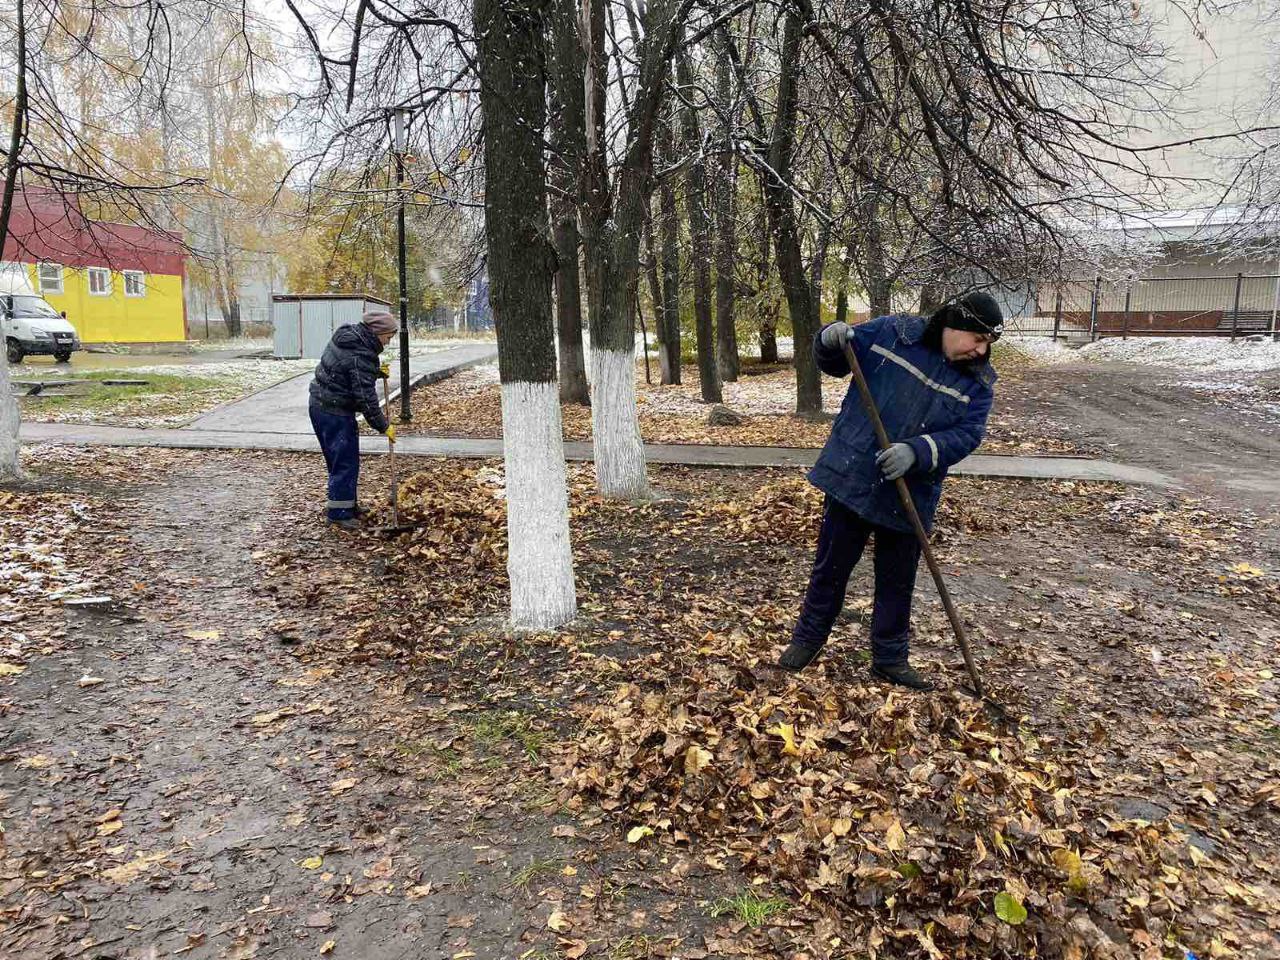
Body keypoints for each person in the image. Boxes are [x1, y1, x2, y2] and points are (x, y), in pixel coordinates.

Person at [778, 291, 1004, 689]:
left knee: (897, 581)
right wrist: (828, 338)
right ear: (953, 325)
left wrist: (917, 452)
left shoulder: (978, 384)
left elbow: (968, 435)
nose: (981, 351)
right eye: (978, 339)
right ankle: (807, 641)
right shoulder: (893, 334)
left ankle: (889, 659)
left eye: (987, 344)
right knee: (830, 569)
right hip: (853, 477)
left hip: (910, 494)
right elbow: (838, 358)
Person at [308, 309, 398, 529]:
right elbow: (366, 400)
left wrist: (375, 371)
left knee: (341, 461)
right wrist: (383, 426)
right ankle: (339, 514)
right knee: (345, 462)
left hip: (321, 406)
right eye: (388, 337)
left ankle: (346, 505)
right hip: (333, 412)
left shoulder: (351, 339)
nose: (388, 342)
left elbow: (349, 371)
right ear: (376, 333)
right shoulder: (361, 354)